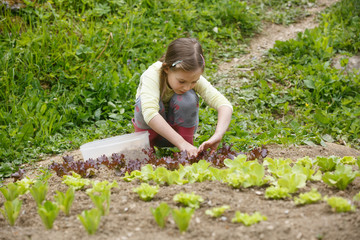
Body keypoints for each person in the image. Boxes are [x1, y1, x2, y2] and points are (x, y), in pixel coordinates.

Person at [132, 38, 232, 157]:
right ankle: (147, 150)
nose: (187, 87)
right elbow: (150, 113)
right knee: (144, 104)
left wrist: (218, 134)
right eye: (181, 81)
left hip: (179, 133)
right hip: (152, 133)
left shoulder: (190, 76)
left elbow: (224, 105)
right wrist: (181, 143)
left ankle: (187, 151)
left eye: (194, 82)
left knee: (188, 98)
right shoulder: (152, 75)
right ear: (167, 68)